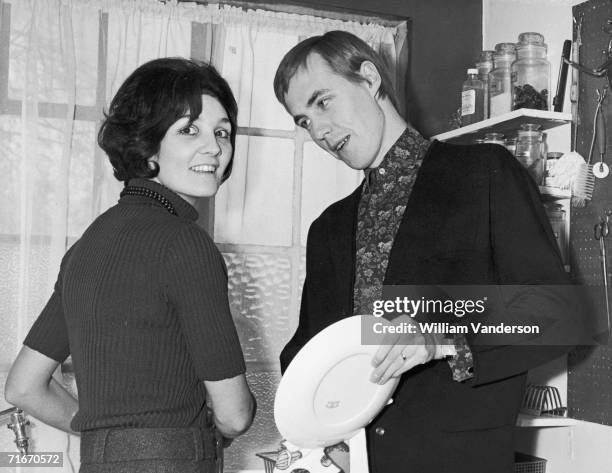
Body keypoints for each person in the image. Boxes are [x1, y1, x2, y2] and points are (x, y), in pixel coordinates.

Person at [273, 31, 584, 473]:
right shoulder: (327, 229)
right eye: (303, 121)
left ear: (369, 79)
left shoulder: (484, 174)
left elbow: (558, 314)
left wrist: (440, 338)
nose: (318, 131)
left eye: (322, 102)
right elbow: (304, 351)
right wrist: (322, 430)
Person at [4, 57, 255, 472]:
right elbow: (234, 415)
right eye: (189, 130)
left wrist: (119, 442)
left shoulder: (86, 248)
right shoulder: (187, 244)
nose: (215, 147)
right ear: (147, 143)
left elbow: (23, 387)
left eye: (222, 132)